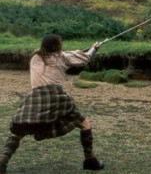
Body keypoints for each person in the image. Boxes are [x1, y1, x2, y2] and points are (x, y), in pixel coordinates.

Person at [0, 34, 104, 174]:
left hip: (35, 98)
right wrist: (94, 48)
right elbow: (84, 59)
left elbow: (66, 56)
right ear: (57, 46)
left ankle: (2, 161)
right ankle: (90, 160)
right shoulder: (61, 57)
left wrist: (81, 51)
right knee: (85, 123)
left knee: (19, 131)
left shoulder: (35, 57)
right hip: (57, 97)